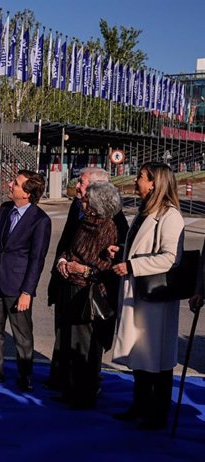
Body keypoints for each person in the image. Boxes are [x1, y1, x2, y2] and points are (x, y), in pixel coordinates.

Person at [110, 162, 184, 430]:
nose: (136, 181)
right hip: (139, 293)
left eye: (141, 177)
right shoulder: (145, 211)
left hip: (155, 297)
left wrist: (131, 265)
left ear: (154, 183)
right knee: (141, 354)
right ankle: (140, 405)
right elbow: (139, 246)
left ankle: (157, 413)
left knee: (157, 358)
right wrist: (120, 251)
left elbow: (170, 258)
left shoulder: (169, 215)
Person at [46, 167, 129, 390]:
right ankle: (62, 380)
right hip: (68, 283)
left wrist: (82, 270)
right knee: (65, 335)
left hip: (90, 291)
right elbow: (68, 244)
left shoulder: (113, 222)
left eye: (82, 183)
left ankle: (83, 387)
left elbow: (112, 261)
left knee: (84, 343)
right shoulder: (80, 211)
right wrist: (62, 262)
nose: (78, 187)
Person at [0, 170, 51, 392]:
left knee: (22, 334)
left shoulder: (40, 221)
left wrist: (27, 292)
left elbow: (37, 260)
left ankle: (25, 376)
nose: (10, 185)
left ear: (27, 193)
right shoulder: (5, 210)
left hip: (18, 286)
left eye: (16, 184)